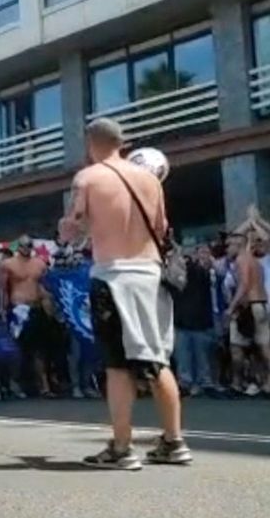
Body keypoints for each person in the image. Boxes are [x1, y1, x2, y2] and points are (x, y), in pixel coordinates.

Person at [59, 118, 190, 470]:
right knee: (157, 359)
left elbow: (71, 229)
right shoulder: (150, 179)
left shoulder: (87, 177)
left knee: (117, 365)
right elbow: (161, 229)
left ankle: (121, 447)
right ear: (122, 143)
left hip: (113, 276)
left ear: (91, 142)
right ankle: (174, 442)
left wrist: (70, 229)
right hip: (151, 275)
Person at [0, 235, 58, 397]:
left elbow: (45, 287)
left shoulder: (39, 264)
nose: (27, 248)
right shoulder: (8, 264)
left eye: (29, 246)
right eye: (24, 246)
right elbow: (3, 289)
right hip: (18, 309)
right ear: (18, 247)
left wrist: (49, 307)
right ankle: (15, 383)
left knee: (40, 350)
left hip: (37, 308)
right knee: (18, 349)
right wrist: (3, 310)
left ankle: (44, 386)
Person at [224, 232, 270, 395]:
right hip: (261, 305)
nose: (227, 249)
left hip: (248, 306)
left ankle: (237, 384)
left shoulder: (241, 260)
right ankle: (266, 383)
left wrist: (232, 307)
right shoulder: (256, 262)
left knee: (236, 347)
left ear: (238, 245)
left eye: (229, 245)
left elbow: (243, 284)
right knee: (264, 346)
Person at [171, 245, 216, 396]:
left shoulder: (197, 272)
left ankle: (197, 382)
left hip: (194, 321)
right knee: (190, 355)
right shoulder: (177, 277)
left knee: (195, 355)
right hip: (188, 321)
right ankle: (193, 382)